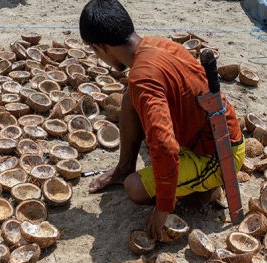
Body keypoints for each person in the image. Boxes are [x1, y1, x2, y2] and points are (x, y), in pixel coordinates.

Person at [79, 0, 245, 241]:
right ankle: (123, 167)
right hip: (204, 128)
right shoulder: (155, 44)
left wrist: (163, 207)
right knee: (129, 97)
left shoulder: (142, 79)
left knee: (134, 188)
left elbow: (165, 147)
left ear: (99, 47)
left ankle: (202, 192)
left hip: (218, 153)